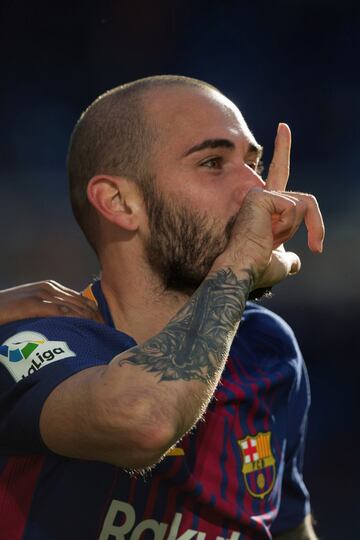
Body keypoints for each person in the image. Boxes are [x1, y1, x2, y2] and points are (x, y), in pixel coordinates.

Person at [0, 75, 324, 540]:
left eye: (254, 165)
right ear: (119, 202)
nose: (256, 192)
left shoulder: (267, 347)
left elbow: (288, 528)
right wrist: (240, 263)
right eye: (213, 162)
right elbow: (143, 420)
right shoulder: (32, 340)